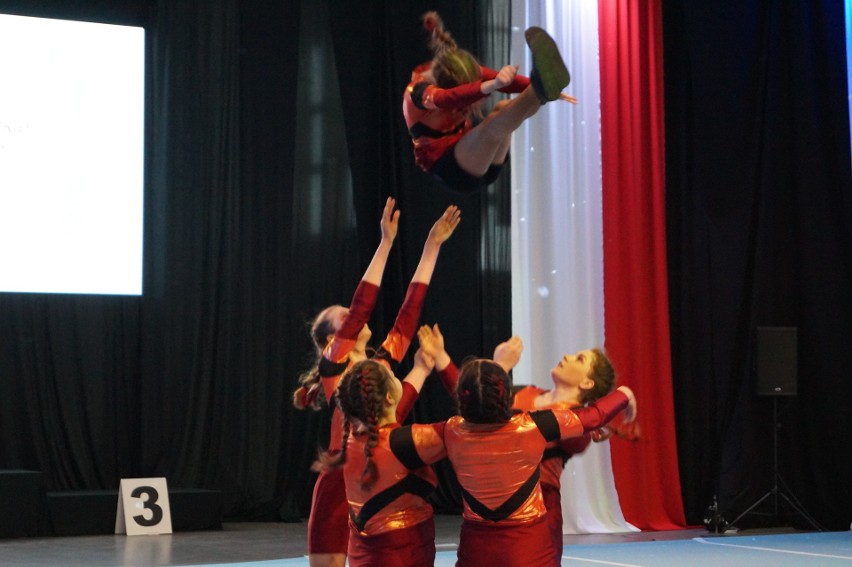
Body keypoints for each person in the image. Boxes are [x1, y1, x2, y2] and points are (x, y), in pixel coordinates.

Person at [292, 198, 461, 567]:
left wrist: (432, 246)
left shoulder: (379, 368)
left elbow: (408, 315)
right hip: (340, 485)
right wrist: (386, 243)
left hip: (385, 475)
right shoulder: (333, 369)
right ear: (329, 341)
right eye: (339, 316)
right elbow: (361, 307)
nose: (347, 313)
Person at [416, 325, 637, 566]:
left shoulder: (577, 428)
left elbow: (570, 421)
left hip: (537, 514)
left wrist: (500, 366)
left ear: (586, 383)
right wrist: (440, 357)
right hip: (489, 506)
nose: (567, 356)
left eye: (579, 358)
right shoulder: (526, 393)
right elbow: (478, 402)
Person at [403, 11, 574, 193]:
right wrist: (491, 85)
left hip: (485, 160)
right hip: (451, 169)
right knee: (491, 126)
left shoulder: (458, 67)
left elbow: (508, 82)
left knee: (503, 107)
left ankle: (541, 88)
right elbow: (448, 98)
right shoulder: (418, 92)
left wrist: (539, 85)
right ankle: (540, 87)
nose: (467, 109)